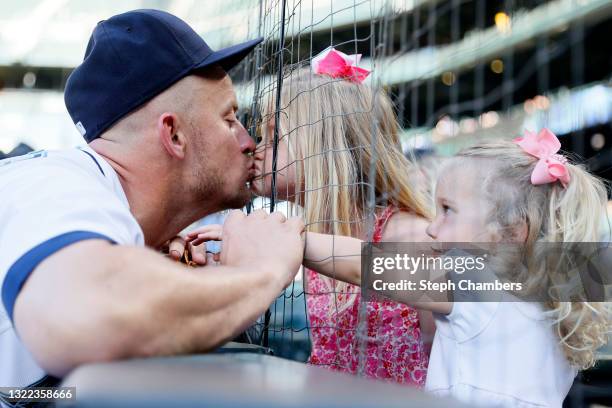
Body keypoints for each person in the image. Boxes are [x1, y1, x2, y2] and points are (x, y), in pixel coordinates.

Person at [0, 9, 304, 392]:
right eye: (230, 119)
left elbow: (403, 271)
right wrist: (261, 270)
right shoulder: (53, 184)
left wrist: (175, 282)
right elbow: (91, 317)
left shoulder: (393, 230)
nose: (250, 143)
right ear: (174, 134)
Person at [260, 129, 610, 407]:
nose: (431, 226)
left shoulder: (475, 283)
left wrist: (284, 239)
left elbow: (363, 265)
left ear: (514, 231)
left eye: (448, 210)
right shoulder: (558, 296)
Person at [188, 49, 434, 386]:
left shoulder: (410, 234)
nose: (257, 149)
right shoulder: (314, 230)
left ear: (326, 149)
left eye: (274, 137)